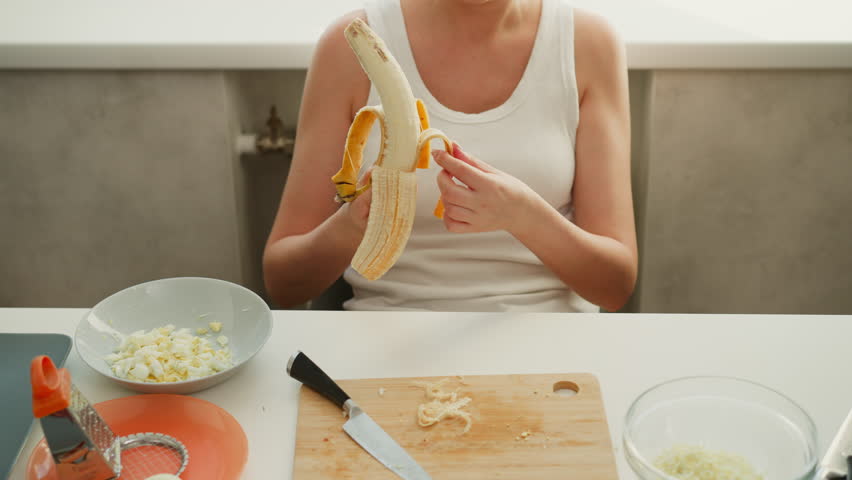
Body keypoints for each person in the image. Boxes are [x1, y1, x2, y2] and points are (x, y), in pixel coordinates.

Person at [263, 0, 637, 312]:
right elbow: (284, 283)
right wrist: (352, 224)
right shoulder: (350, 43)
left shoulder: (588, 44)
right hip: (388, 337)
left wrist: (524, 216)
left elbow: (614, 285)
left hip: (549, 338)